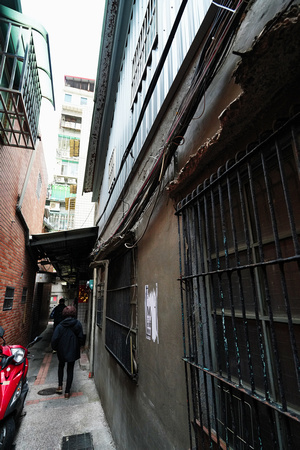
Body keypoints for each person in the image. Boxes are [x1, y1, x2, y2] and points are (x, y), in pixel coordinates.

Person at [51, 305, 84, 399]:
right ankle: (67, 391)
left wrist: (55, 348)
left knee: (61, 366)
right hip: (73, 350)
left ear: (64, 314)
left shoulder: (60, 326)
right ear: (74, 313)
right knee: (70, 369)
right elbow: (81, 337)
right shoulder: (77, 324)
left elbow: (54, 339)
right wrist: (79, 346)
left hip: (61, 350)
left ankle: (60, 386)